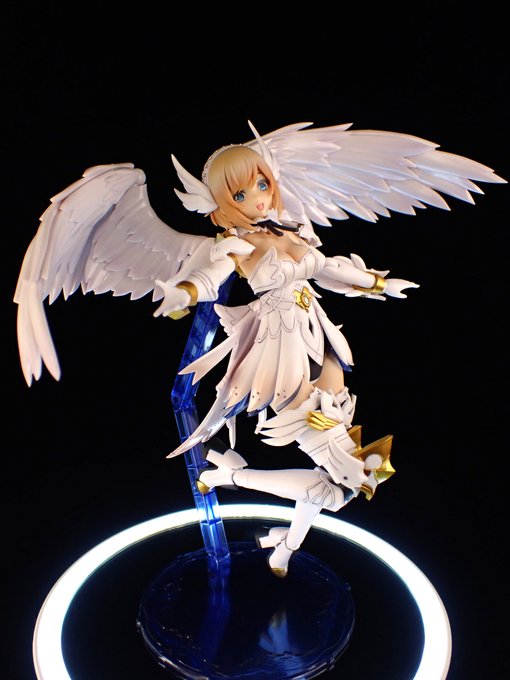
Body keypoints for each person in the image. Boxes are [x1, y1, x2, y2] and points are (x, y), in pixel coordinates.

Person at [15, 121, 504, 577]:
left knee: (337, 480)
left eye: (262, 184)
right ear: (220, 203)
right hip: (279, 352)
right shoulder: (232, 245)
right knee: (346, 481)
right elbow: (208, 277)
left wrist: (376, 282)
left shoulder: (288, 230)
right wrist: (182, 294)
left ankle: (283, 543)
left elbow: (325, 267)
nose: (258, 198)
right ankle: (235, 481)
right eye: (240, 194)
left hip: (318, 338)